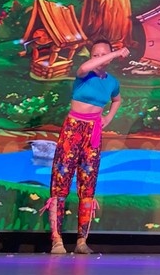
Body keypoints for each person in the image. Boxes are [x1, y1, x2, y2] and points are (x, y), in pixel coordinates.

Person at [44, 38, 126, 255]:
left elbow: (117, 100)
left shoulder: (112, 82)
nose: (99, 58)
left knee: (87, 184)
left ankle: (82, 240)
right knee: (61, 180)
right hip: (73, 128)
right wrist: (115, 53)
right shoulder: (84, 74)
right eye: (95, 54)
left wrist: (108, 118)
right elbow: (84, 67)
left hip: (93, 131)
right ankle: (57, 240)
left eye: (103, 54)